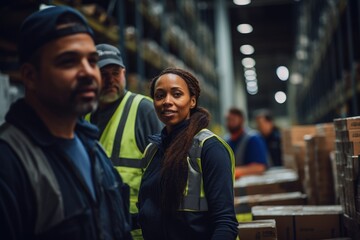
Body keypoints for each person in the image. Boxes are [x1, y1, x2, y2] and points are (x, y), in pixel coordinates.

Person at [0, 6, 132, 239]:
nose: (89, 73)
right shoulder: (10, 163)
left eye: (92, 61)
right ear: (30, 76)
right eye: (68, 61)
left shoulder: (93, 147)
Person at [138, 68, 238, 240]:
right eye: (160, 95)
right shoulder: (152, 151)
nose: (167, 101)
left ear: (192, 101)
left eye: (176, 94)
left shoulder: (209, 148)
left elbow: (225, 222)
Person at [85, 44, 162, 238]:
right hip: (99, 228)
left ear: (124, 73)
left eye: (115, 73)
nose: (111, 80)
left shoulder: (144, 109)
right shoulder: (83, 116)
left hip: (136, 231)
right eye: (104, 74)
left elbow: (165, 174)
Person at [226, 107, 268, 179]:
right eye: (228, 120)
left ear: (242, 120)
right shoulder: (227, 141)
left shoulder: (253, 138)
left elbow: (259, 168)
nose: (230, 123)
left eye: (233, 120)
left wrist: (231, 172)